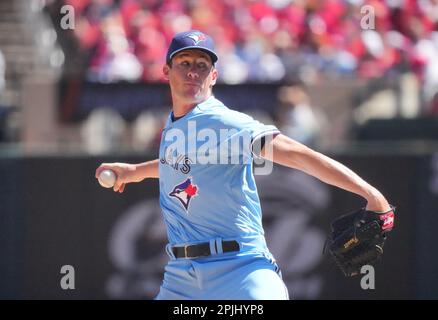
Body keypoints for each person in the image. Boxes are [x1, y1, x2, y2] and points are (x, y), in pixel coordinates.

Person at [95, 30, 392, 300]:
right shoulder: (175, 125)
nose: (193, 72)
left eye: (202, 65)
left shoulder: (223, 122)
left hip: (239, 270)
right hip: (180, 279)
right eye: (184, 62)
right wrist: (135, 172)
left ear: (213, 76)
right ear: (166, 71)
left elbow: (296, 153)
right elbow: (181, 163)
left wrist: (371, 194)